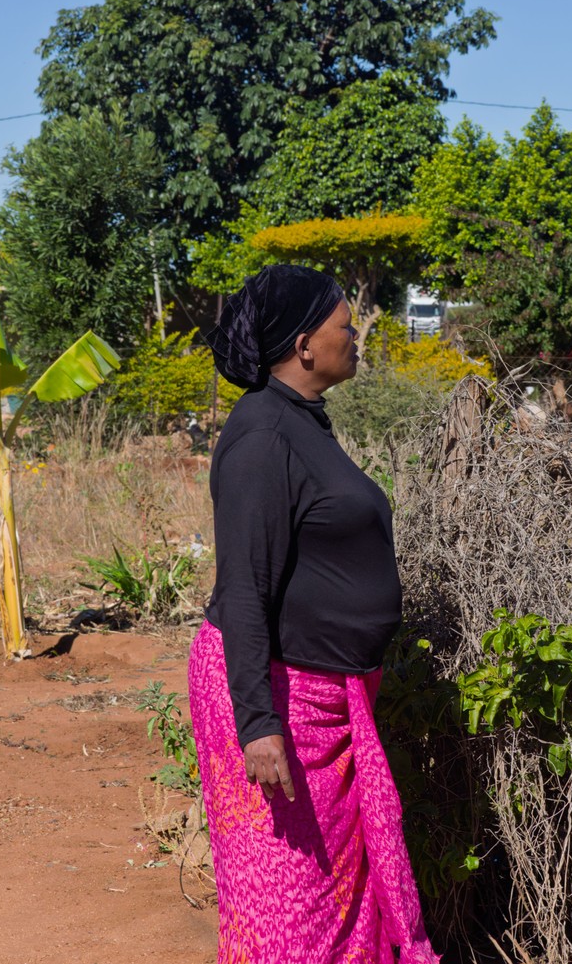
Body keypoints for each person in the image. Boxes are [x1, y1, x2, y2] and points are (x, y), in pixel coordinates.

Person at [191, 264, 439, 964]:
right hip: (277, 699)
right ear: (304, 345)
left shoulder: (300, 422)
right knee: (291, 905)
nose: (354, 336)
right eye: (344, 325)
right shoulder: (262, 435)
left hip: (322, 699)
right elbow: (243, 586)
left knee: (337, 894)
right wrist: (258, 723)